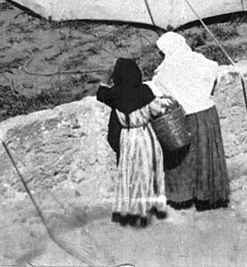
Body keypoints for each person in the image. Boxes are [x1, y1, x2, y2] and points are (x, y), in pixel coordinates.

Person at [148, 33, 230, 211]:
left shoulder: (163, 73)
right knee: (206, 154)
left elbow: (157, 90)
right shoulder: (196, 60)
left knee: (185, 158)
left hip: (185, 118)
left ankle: (183, 196)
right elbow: (213, 68)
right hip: (206, 114)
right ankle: (207, 195)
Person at [96, 58, 168, 227]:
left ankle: (131, 210)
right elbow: (158, 110)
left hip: (127, 137)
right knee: (148, 171)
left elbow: (101, 93)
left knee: (130, 173)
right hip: (145, 135)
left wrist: (105, 79)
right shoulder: (144, 90)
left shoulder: (115, 94)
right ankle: (150, 207)